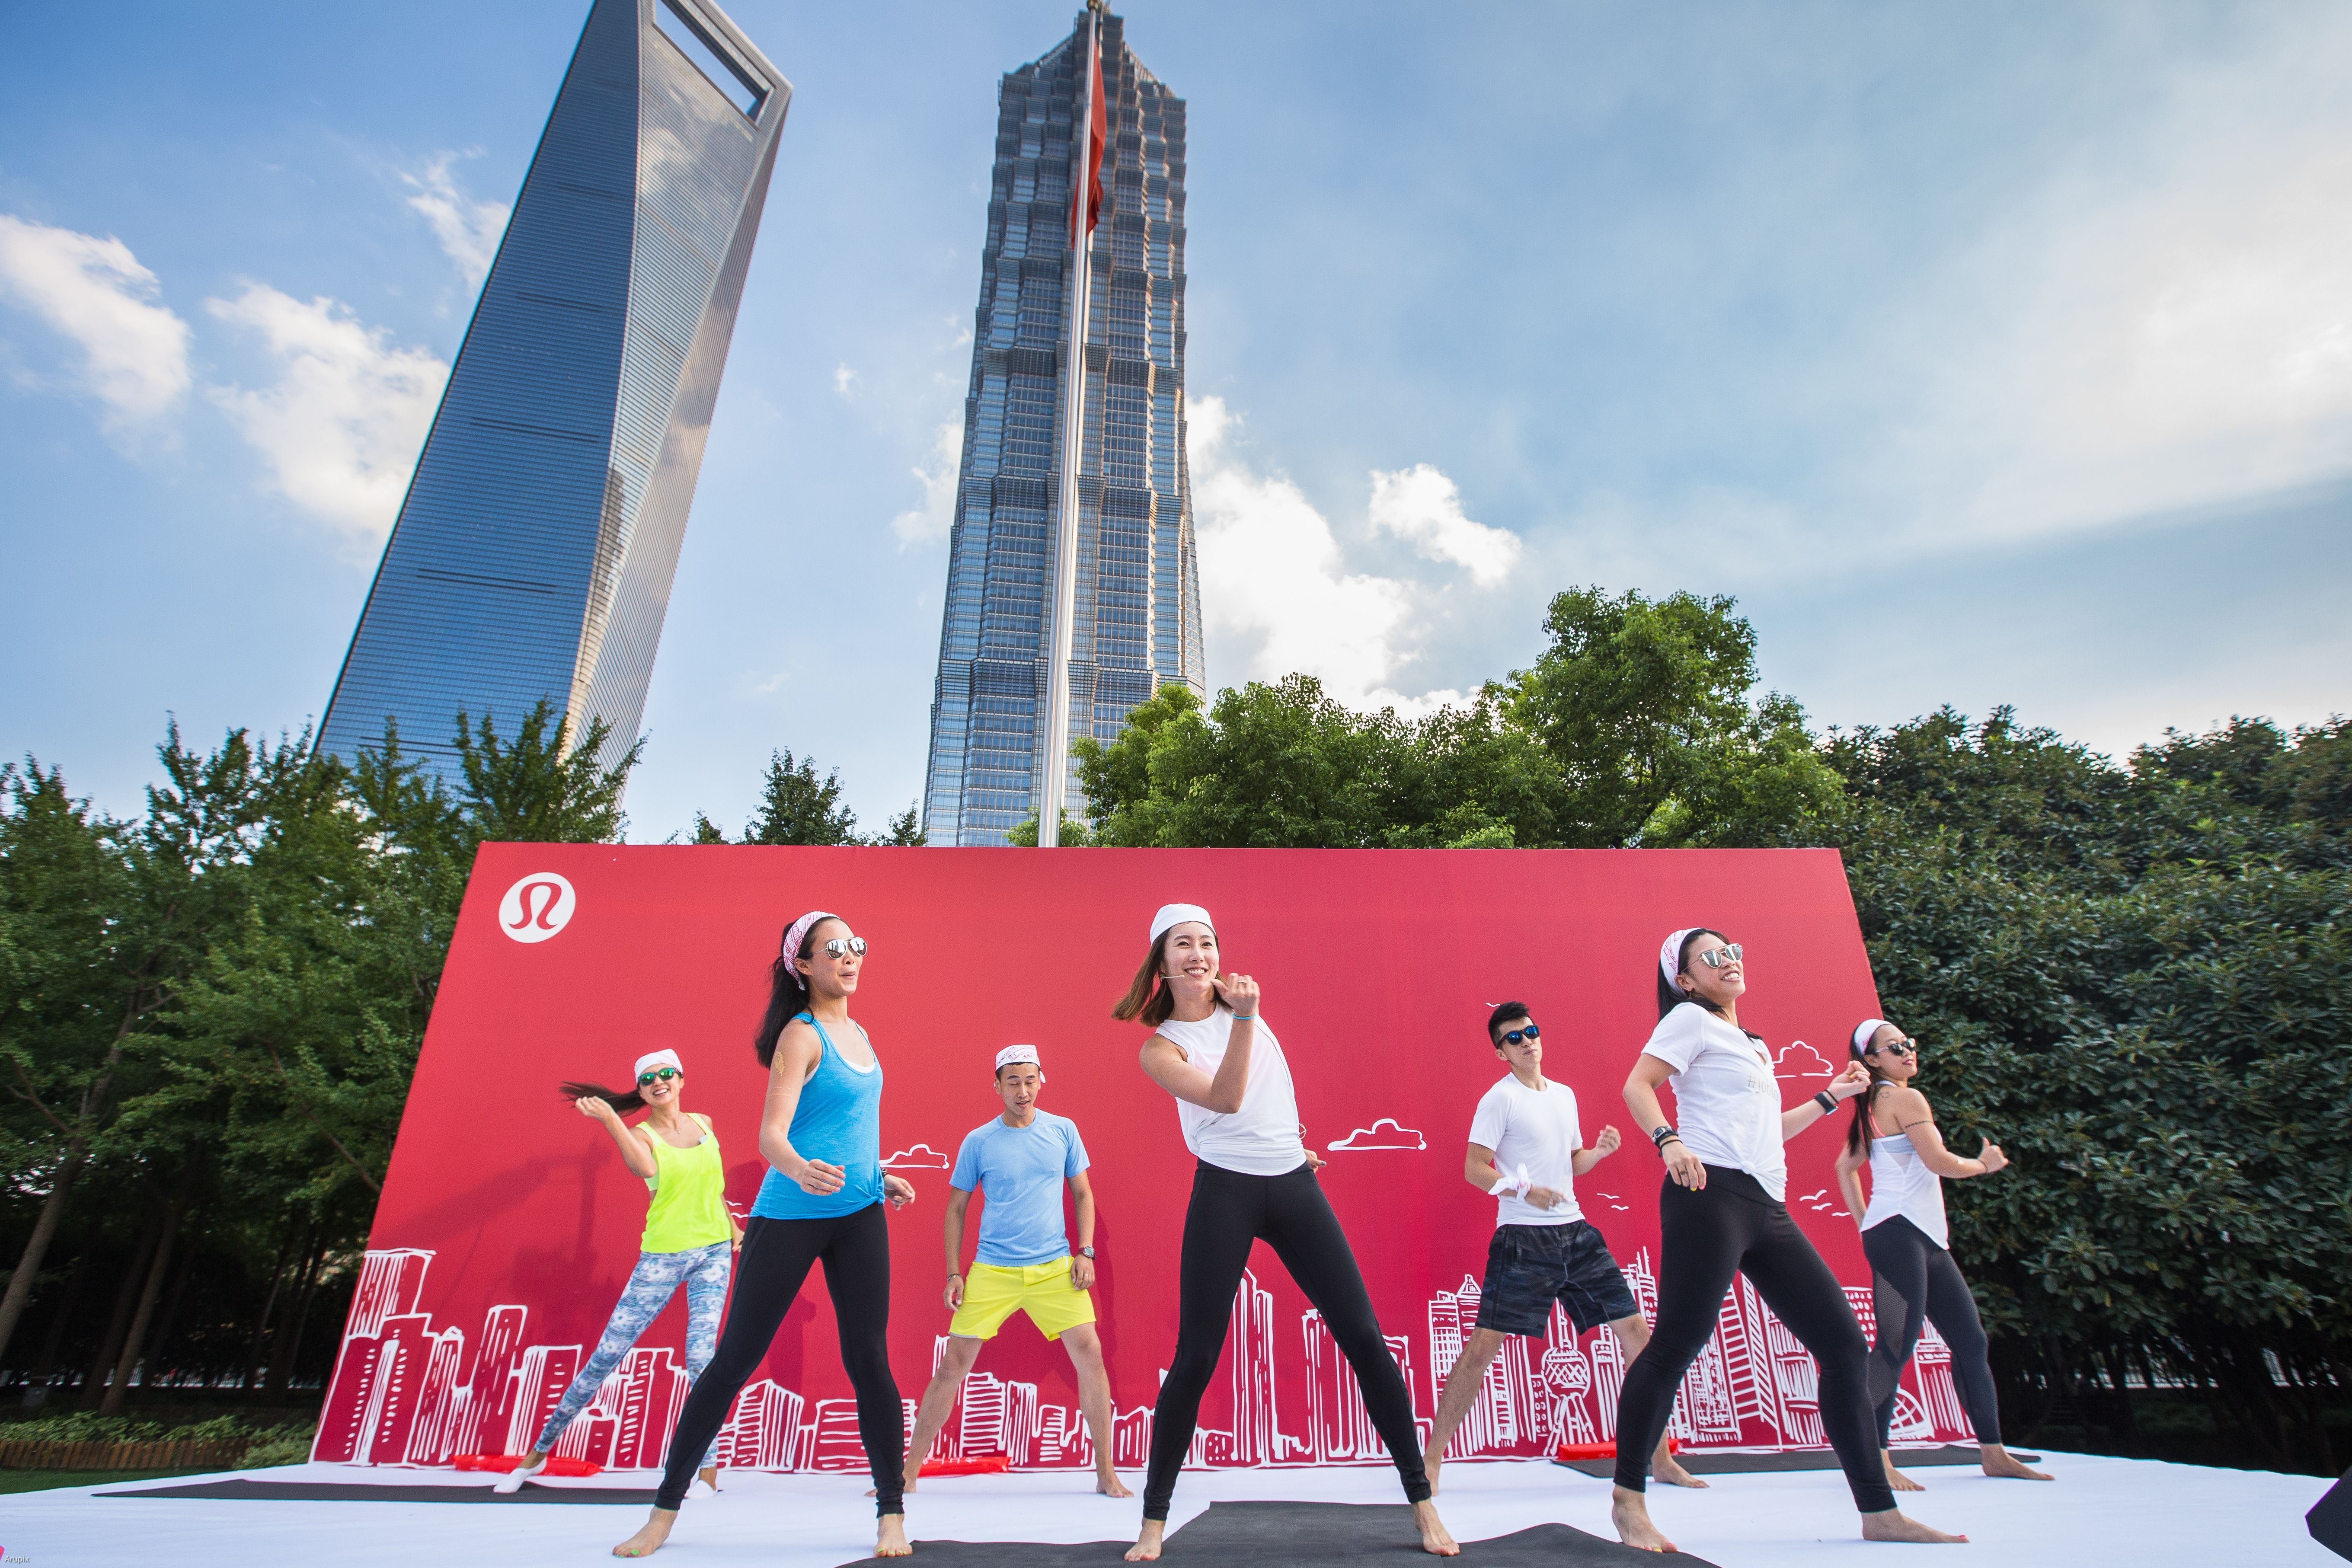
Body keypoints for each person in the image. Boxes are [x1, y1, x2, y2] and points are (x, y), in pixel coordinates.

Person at [1114, 903, 1458, 1562]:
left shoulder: (1244, 1010)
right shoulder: (1161, 1047)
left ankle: (1422, 1502)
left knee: (1363, 1336)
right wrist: (1243, 1016)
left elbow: (1274, 1093)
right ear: (1161, 963)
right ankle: (1154, 1522)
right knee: (1197, 1354)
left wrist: (1292, 1143)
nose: (1199, 954)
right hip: (1226, 1191)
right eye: (1183, 945)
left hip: (1293, 1184)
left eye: (1208, 942)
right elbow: (1225, 1098)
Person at [1612, 928, 1965, 1551]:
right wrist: (1670, 1141)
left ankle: (1878, 1511)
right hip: (1708, 1195)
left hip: (1764, 1203)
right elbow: (1637, 1085)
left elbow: (1765, 1130)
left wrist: (1833, 1096)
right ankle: (1628, 1500)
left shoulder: (1750, 1043)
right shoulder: (1690, 1020)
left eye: (1732, 949)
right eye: (1710, 956)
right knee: (1674, 1344)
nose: (1729, 960)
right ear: (1685, 980)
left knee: (1844, 1344)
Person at [613, 912, 917, 1561]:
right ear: (802, 965)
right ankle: (664, 1510)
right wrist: (800, 1168)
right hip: (790, 1214)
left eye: (855, 944)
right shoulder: (800, 1035)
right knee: (733, 1362)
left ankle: (891, 1511)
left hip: (859, 1209)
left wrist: (879, 1174)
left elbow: (848, 1123)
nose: (849, 955)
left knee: (870, 1360)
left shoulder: (859, 1031)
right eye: (833, 948)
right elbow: (770, 1135)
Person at [1423, 1003, 1703, 1495]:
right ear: (1500, 1052)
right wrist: (1521, 1190)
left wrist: (1597, 1153)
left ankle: (1658, 1458)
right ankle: (1429, 1462)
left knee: (1638, 1333)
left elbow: (1571, 1165)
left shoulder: (1565, 1096)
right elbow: (1474, 1169)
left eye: (1531, 1032)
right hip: (1522, 1237)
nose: (1527, 1041)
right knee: (1483, 1346)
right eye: (1514, 1038)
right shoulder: (1499, 1100)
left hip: (1576, 1232)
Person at [496, 1049, 742, 1495]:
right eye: (649, 1079)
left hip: (713, 1252)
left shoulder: (704, 1124)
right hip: (664, 1255)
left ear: (682, 1080)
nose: (659, 1082)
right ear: (643, 1091)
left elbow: (715, 1186)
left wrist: (732, 1227)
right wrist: (611, 1120)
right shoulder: (642, 1135)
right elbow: (645, 1169)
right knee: (605, 1358)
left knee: (702, 1360)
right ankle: (536, 1455)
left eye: (666, 1074)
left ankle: (705, 1472)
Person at [897, 1045, 1131, 1498]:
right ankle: (905, 1475)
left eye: (1029, 1080)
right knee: (952, 1366)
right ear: (997, 1086)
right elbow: (956, 1208)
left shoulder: (1063, 1131)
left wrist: (1085, 1252)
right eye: (1012, 1082)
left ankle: (1106, 1473)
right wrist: (953, 1272)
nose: (1022, 1091)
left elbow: (1083, 1195)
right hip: (993, 1270)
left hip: (1055, 1269)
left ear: (1042, 1080)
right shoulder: (978, 1141)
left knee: (1091, 1357)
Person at [1834, 1018, 2050, 1488]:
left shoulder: (1874, 1104)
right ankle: (1875, 1458)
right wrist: (1983, 1165)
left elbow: (1844, 1167)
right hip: (1900, 1234)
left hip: (1920, 1236)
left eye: (1909, 1043)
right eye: (1894, 1048)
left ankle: (1992, 1451)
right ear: (1872, 1060)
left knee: (1970, 1340)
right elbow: (1939, 1162)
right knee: (1895, 1344)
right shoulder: (1902, 1098)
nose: (1907, 1051)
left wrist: (1866, 1221)